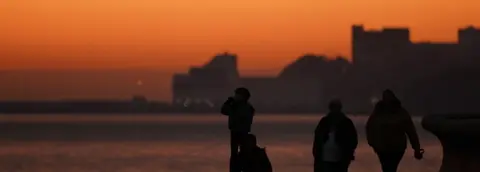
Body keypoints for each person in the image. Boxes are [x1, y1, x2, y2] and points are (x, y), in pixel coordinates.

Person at [366, 89, 424, 172]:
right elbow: (369, 127)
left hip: (396, 148)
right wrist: (372, 142)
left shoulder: (400, 112)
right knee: (388, 168)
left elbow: (411, 132)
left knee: (389, 168)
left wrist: (417, 149)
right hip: (383, 148)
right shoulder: (378, 112)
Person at [313, 99, 358, 172]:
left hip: (337, 156)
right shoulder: (345, 122)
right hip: (329, 156)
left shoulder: (345, 122)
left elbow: (353, 139)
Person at [221, 87, 255, 172]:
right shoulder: (236, 106)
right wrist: (228, 102)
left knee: (242, 153)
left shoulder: (244, 107)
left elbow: (241, 118)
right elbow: (223, 111)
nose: (235, 96)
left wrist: (231, 104)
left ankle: (240, 169)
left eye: (237, 94)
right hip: (235, 131)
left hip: (241, 131)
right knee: (235, 154)